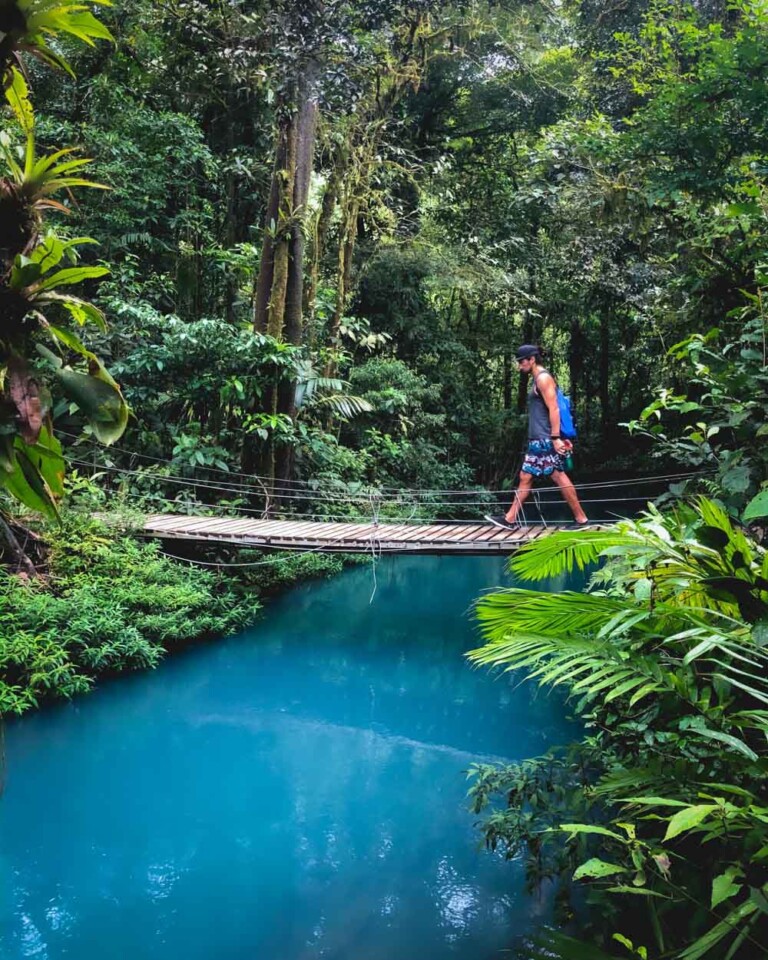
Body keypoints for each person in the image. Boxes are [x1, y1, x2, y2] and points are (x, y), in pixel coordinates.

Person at [486, 344, 588, 529]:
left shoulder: (543, 379)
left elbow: (555, 408)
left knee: (557, 476)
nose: (519, 366)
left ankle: (581, 519)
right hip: (540, 439)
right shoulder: (538, 379)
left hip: (544, 439)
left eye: (521, 362)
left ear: (532, 360)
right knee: (527, 476)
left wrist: (556, 437)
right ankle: (510, 518)